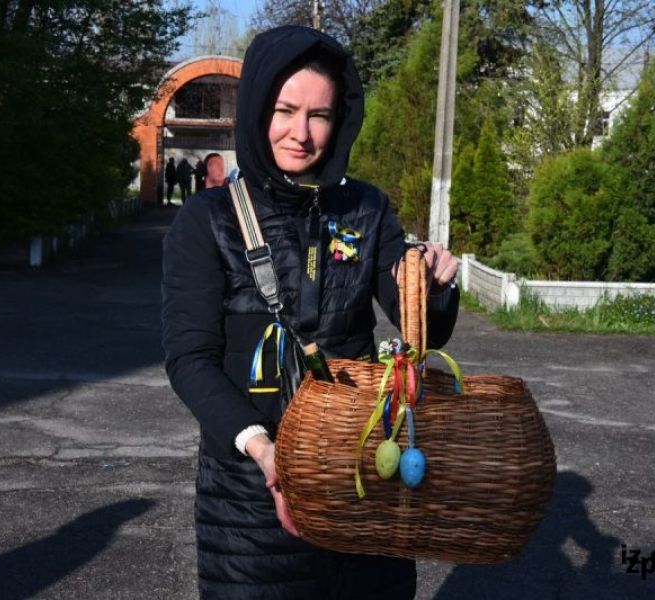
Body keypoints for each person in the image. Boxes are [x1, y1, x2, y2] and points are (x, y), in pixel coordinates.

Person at [162, 26, 459, 599]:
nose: (301, 133)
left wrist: (431, 284)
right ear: (255, 110)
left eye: (319, 115)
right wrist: (263, 450)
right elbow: (190, 360)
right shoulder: (206, 221)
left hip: (364, 476)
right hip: (251, 496)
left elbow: (419, 327)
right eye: (285, 110)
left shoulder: (367, 208)